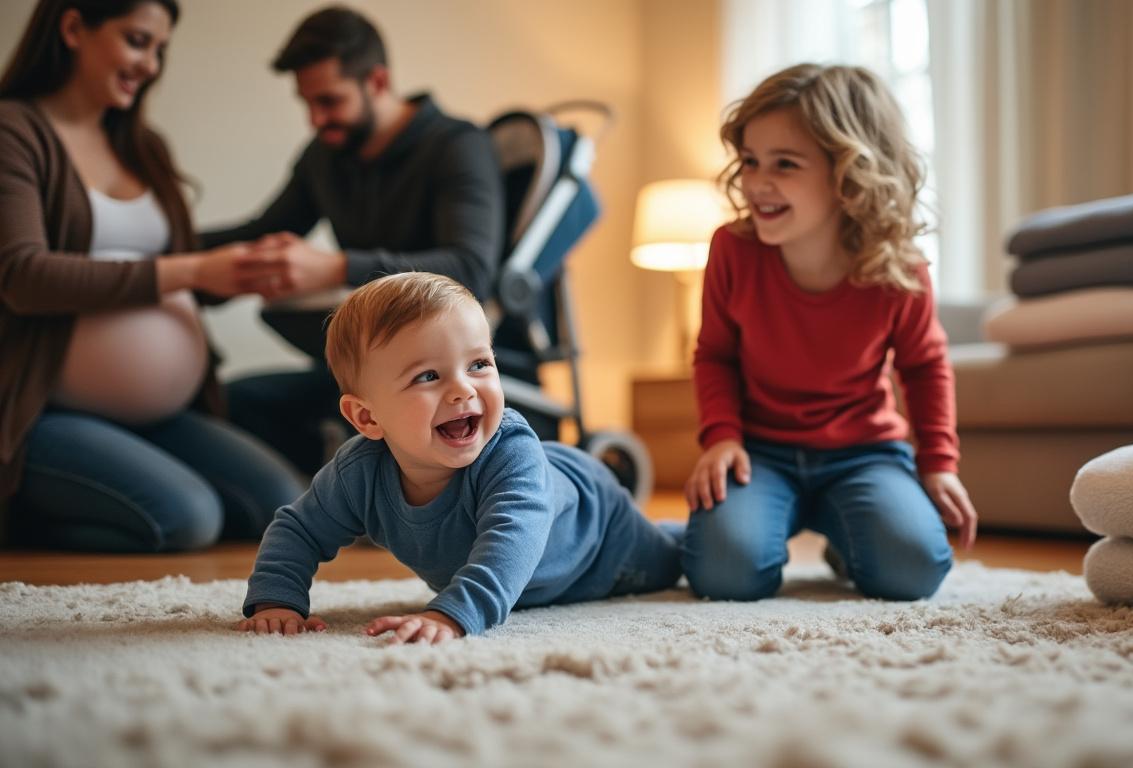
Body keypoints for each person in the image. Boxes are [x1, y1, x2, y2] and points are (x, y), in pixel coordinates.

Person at [0, 0, 305, 552]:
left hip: (160, 413)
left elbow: (171, 270)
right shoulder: (14, 131)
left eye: (160, 50)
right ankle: (18, 517)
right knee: (189, 518)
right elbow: (25, 276)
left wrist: (244, 268)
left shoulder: (143, 146)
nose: (151, 65)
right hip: (45, 408)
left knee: (282, 505)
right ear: (73, 27)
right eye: (137, 41)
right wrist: (193, 270)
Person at [235, 273, 681, 642]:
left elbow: (513, 538)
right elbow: (299, 528)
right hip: (544, 556)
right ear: (367, 417)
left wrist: (452, 614)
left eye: (478, 365)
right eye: (428, 376)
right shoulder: (359, 473)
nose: (463, 389)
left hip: (602, 536)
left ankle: (684, 530)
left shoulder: (510, 453)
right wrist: (277, 600)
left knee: (683, 562)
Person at [682, 64, 978, 602]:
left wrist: (939, 465)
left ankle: (849, 533)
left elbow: (925, 365)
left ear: (849, 175)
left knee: (912, 571)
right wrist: (722, 438)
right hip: (759, 452)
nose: (757, 182)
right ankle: (818, 523)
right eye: (750, 161)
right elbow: (715, 355)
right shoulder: (732, 250)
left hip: (864, 453)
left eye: (785, 164)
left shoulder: (899, 269)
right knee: (724, 573)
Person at [200, 6, 507, 477]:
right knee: (230, 404)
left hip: (441, 375)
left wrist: (334, 268)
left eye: (329, 101)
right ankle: (329, 492)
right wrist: (163, 247)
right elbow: (261, 231)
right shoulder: (326, 156)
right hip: (372, 371)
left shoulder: (457, 146)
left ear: (377, 81)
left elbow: (470, 269)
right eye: (307, 104)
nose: (315, 120)